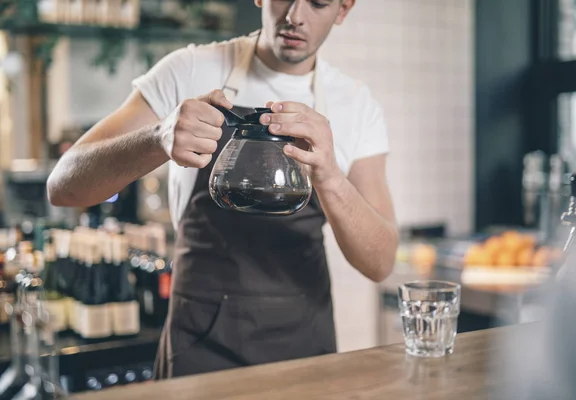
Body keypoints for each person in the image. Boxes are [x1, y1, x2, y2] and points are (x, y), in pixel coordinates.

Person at [47, 0, 399, 379]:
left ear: (343, 9)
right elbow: (63, 187)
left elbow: (379, 263)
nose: (296, 15)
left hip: (305, 346)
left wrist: (329, 175)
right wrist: (155, 138)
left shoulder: (356, 105)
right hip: (200, 345)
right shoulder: (190, 70)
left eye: (317, 2)